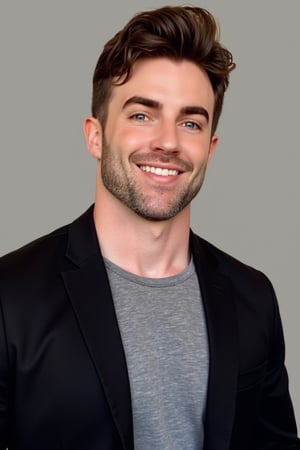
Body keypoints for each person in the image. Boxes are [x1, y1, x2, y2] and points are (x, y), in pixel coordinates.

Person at [0, 5, 299, 450]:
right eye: (142, 115)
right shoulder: (10, 297)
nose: (168, 141)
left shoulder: (252, 297)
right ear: (95, 135)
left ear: (210, 148)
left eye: (191, 122)